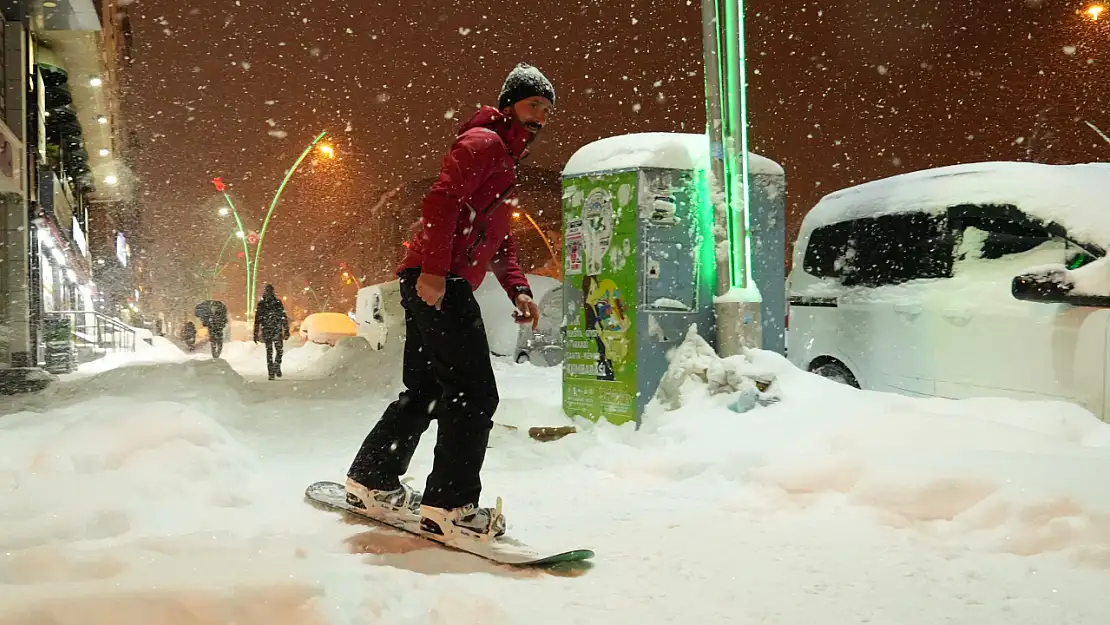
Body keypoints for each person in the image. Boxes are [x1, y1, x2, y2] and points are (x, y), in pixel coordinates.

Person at [345, 63, 554, 541]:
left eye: (546, 109)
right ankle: (452, 506)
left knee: (427, 390)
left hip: (432, 277)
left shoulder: (504, 160)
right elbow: (442, 201)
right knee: (475, 393)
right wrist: (437, 272)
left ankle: (372, 478)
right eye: (532, 105)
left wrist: (517, 287)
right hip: (441, 281)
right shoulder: (485, 144)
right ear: (508, 106)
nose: (539, 117)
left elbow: (499, 240)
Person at [253, 284, 290, 380]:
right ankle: (275, 367)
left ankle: (272, 371)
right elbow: (283, 317)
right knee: (278, 350)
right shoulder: (276, 303)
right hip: (275, 329)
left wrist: (256, 333)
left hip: (268, 330)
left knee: (270, 352)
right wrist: (286, 329)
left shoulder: (263, 304)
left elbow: (257, 320)